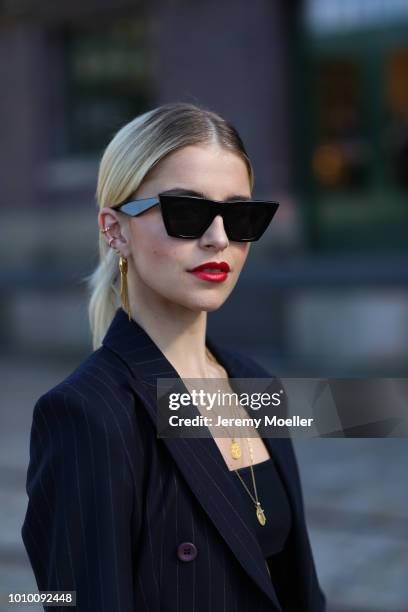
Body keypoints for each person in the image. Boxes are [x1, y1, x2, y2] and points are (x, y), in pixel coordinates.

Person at [21, 102, 326, 611]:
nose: (219, 239)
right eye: (187, 213)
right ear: (115, 229)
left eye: (240, 214)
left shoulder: (257, 384)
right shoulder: (87, 415)